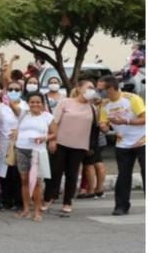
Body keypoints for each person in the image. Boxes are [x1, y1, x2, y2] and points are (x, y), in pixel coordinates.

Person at [44, 80, 97, 217]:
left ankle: (67, 202)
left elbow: (95, 128)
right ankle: (48, 198)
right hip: (61, 143)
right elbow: (54, 122)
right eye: (89, 87)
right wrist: (53, 139)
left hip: (80, 145)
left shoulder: (93, 108)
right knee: (55, 172)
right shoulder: (65, 102)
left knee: (72, 175)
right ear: (79, 88)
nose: (92, 90)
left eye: (93, 88)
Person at [96, 75, 145, 216]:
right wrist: (104, 126)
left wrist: (126, 121)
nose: (99, 93)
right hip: (122, 143)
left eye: (101, 90)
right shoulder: (105, 104)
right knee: (123, 175)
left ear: (111, 88)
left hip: (142, 140)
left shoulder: (131, 99)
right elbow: (104, 124)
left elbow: (144, 118)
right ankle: (121, 206)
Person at [13, 92, 56, 222]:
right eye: (32, 102)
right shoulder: (23, 114)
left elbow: (54, 134)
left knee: (36, 182)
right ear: (28, 103)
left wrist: (45, 138)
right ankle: (26, 209)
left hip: (37, 151)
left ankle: (37, 211)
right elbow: (10, 103)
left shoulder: (47, 117)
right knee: (24, 180)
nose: (35, 104)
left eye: (38, 102)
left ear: (42, 104)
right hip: (21, 149)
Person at [0, 81, 24, 210]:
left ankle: (18, 200)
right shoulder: (1, 107)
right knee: (4, 173)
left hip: (20, 143)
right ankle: (6, 199)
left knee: (17, 173)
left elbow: (22, 116)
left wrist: (19, 133)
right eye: (11, 89)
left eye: (17, 89)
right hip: (4, 143)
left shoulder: (25, 105)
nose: (13, 92)